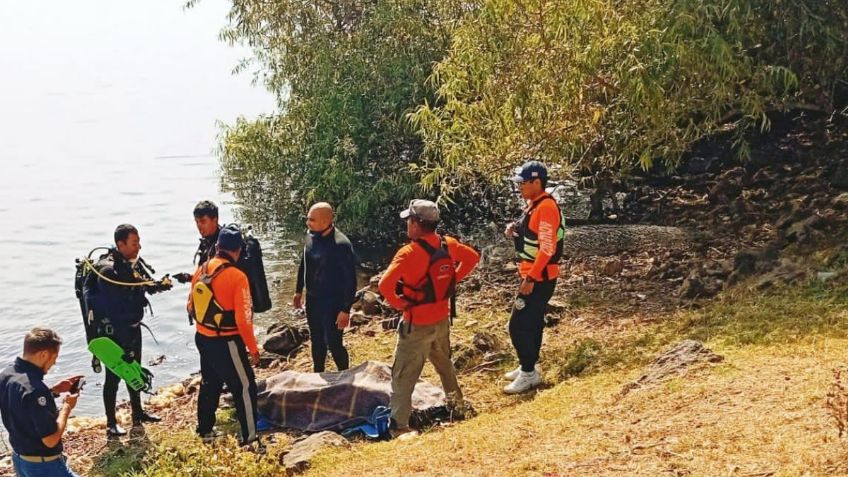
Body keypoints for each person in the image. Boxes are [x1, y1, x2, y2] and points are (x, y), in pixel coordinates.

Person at [378, 199, 480, 435]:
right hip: (442, 319)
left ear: (415, 224)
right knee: (445, 365)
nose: (407, 225)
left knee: (403, 375)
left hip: (417, 324)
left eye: (409, 221)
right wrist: (453, 280)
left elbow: (385, 286)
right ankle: (457, 406)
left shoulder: (408, 253)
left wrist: (401, 304)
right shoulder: (448, 244)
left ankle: (399, 425)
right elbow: (473, 257)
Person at [88, 224, 166, 436]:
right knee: (113, 377)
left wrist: (160, 284)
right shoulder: (107, 271)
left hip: (132, 327)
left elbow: (143, 286)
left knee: (135, 369)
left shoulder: (131, 264)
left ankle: (138, 413)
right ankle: (111, 423)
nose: (138, 247)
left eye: (139, 242)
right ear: (120, 244)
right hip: (114, 333)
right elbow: (116, 304)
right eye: (134, 243)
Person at [188, 225, 261, 447]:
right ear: (238, 250)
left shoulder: (201, 270)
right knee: (246, 387)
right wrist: (253, 349)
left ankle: (205, 430)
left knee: (210, 383)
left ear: (218, 246)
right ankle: (250, 438)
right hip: (227, 341)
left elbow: (190, 306)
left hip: (203, 338)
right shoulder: (237, 277)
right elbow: (243, 320)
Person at [503, 160, 565, 394]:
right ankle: (527, 366)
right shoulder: (534, 204)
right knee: (533, 321)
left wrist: (531, 280)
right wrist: (514, 230)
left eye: (523, 183)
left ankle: (529, 373)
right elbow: (533, 232)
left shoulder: (546, 207)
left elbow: (547, 249)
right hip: (532, 274)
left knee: (517, 325)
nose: (519, 187)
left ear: (536, 182)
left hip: (539, 277)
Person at [0, 328, 82, 477]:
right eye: (54, 357)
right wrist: (67, 407)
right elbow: (50, 440)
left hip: (20, 460)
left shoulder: (7, 375)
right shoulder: (35, 389)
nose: (54, 363)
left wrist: (53, 391)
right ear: (43, 354)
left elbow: (22, 406)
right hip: (44, 466)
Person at [293, 202, 357, 372]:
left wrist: (345, 310)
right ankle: (318, 373)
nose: (308, 223)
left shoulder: (341, 245)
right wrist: (298, 290)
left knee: (334, 343)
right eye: (308, 219)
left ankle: (344, 374)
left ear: (325, 221)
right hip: (313, 300)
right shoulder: (310, 236)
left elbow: (351, 281)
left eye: (312, 220)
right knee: (317, 341)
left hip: (333, 302)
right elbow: (304, 263)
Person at [174, 201, 221, 285]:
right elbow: (206, 277)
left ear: (215, 220)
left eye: (203, 221)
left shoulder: (223, 245)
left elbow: (220, 278)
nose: (199, 226)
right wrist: (189, 278)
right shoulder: (205, 242)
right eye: (197, 222)